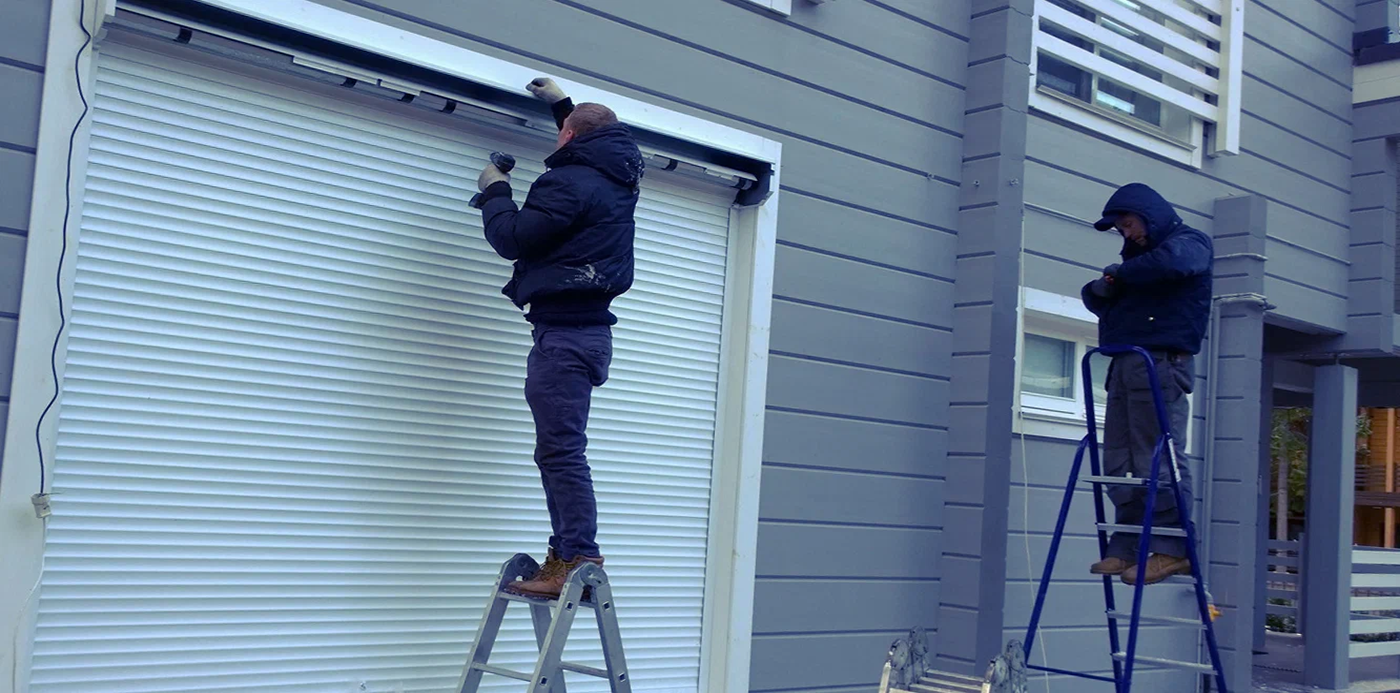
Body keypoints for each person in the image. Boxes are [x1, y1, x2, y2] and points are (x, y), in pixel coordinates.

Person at [472, 77, 644, 598]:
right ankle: (565, 553)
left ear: (568, 140)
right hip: (586, 333)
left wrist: (494, 188)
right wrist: (562, 105)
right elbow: (585, 141)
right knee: (560, 450)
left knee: (561, 452)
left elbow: (512, 239)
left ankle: (576, 559)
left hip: (563, 339)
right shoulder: (619, 176)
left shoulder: (568, 183)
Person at [1080, 182, 1213, 586]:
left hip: (1160, 364)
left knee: (1158, 456)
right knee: (1120, 460)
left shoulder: (1189, 243)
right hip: (1125, 363)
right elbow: (1103, 296)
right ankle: (1128, 544)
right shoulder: (1139, 265)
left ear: (1149, 215)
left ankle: (1173, 549)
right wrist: (1101, 288)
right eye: (1120, 228)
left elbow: (1171, 265)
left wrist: (1121, 275)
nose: (1126, 233)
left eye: (1128, 223)